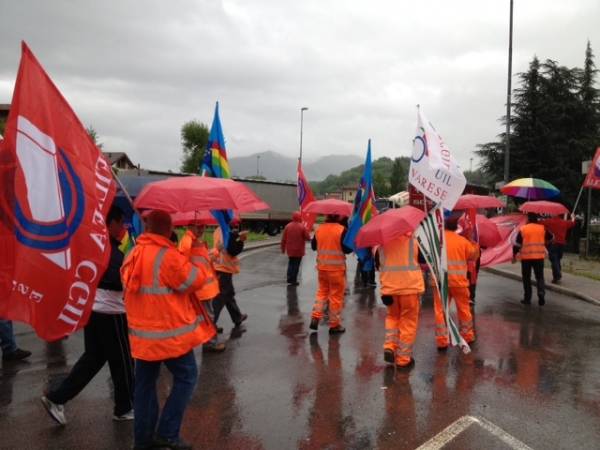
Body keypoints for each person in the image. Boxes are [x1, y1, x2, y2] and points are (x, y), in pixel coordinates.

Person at [121, 210, 215, 450]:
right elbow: (193, 281)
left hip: (142, 338)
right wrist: (197, 260)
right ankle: (167, 433)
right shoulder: (168, 256)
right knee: (187, 377)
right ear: (167, 228)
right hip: (168, 335)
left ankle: (143, 440)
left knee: (144, 387)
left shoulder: (132, 253)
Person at [41, 206, 134, 426]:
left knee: (92, 360)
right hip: (110, 313)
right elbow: (116, 279)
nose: (122, 228)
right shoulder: (109, 251)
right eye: (120, 223)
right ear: (109, 224)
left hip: (95, 311)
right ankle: (124, 407)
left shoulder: (99, 245)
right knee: (123, 362)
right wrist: (132, 268)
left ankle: (57, 397)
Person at [376, 234, 424, 369]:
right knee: (408, 322)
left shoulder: (381, 245)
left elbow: (378, 264)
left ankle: (389, 347)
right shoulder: (414, 242)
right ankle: (403, 359)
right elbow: (423, 259)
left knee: (392, 317)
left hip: (389, 290)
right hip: (410, 288)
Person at [433, 218, 480, 350]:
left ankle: (442, 341)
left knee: (440, 311)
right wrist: (472, 240)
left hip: (442, 282)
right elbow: (473, 256)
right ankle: (467, 336)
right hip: (459, 282)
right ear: (456, 228)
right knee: (464, 310)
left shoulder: (438, 241)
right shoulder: (463, 241)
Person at [178, 224, 225, 353]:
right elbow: (183, 266)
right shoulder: (188, 242)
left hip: (203, 288)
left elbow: (204, 261)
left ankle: (208, 340)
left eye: (203, 226)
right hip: (200, 289)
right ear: (190, 226)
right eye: (198, 226)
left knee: (207, 316)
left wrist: (216, 250)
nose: (201, 229)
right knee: (207, 316)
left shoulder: (196, 241)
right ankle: (210, 342)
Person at [309, 215, 352, 334]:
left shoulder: (319, 229)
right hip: (337, 269)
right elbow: (348, 249)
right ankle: (334, 325)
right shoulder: (342, 230)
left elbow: (313, 247)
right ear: (338, 218)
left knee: (322, 293)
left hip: (322, 268)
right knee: (336, 297)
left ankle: (315, 316)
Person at [212, 221, 248, 328]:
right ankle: (210, 323)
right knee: (221, 297)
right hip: (225, 268)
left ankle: (237, 317)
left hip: (219, 266)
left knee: (229, 294)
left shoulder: (218, 230)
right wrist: (241, 240)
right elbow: (232, 250)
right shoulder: (227, 231)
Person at [513, 213, 553, 306]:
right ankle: (541, 292)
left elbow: (517, 244)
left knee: (526, 278)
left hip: (526, 258)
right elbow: (551, 238)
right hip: (539, 257)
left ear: (528, 219)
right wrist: (545, 244)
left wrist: (514, 254)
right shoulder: (542, 228)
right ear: (537, 219)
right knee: (539, 277)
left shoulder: (523, 229)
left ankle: (527, 298)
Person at [541, 214, 575, 284]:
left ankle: (558, 273)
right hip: (562, 244)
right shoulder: (564, 222)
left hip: (553, 243)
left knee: (554, 259)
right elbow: (572, 223)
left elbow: (539, 223)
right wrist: (573, 217)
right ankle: (555, 277)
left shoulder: (549, 221)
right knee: (557, 259)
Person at [280, 211, 310, 285]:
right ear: (300, 217)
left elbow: (283, 239)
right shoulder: (302, 227)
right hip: (299, 250)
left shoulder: (287, 226)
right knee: (296, 265)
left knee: (291, 263)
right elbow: (307, 238)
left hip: (290, 250)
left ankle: (289, 278)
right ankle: (293, 280)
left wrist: (283, 249)